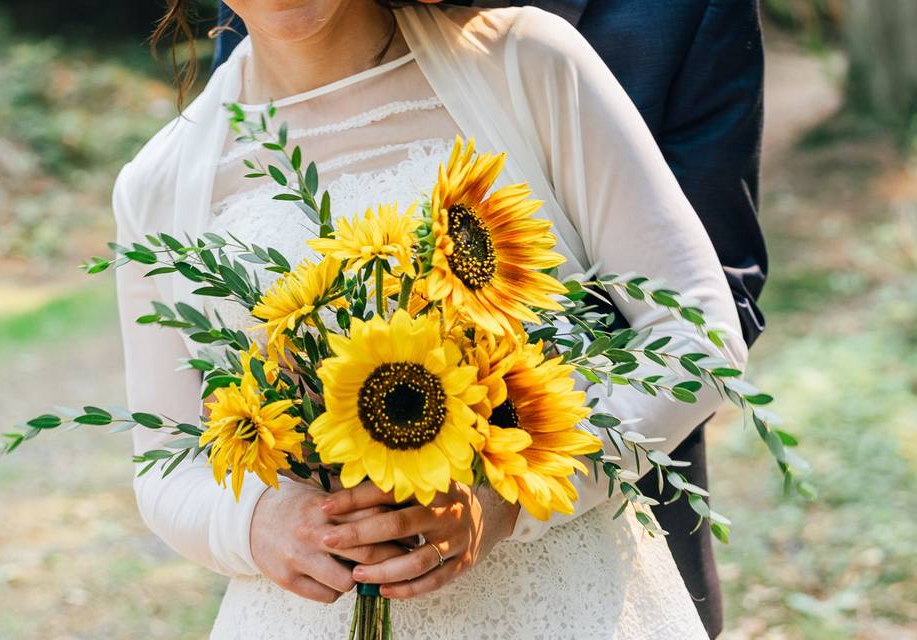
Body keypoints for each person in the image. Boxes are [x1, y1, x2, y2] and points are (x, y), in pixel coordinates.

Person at [115, 2, 750, 637]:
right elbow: (165, 461)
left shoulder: (528, 63)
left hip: (564, 600)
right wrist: (257, 523)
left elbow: (698, 335)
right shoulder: (157, 183)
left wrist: (508, 501)